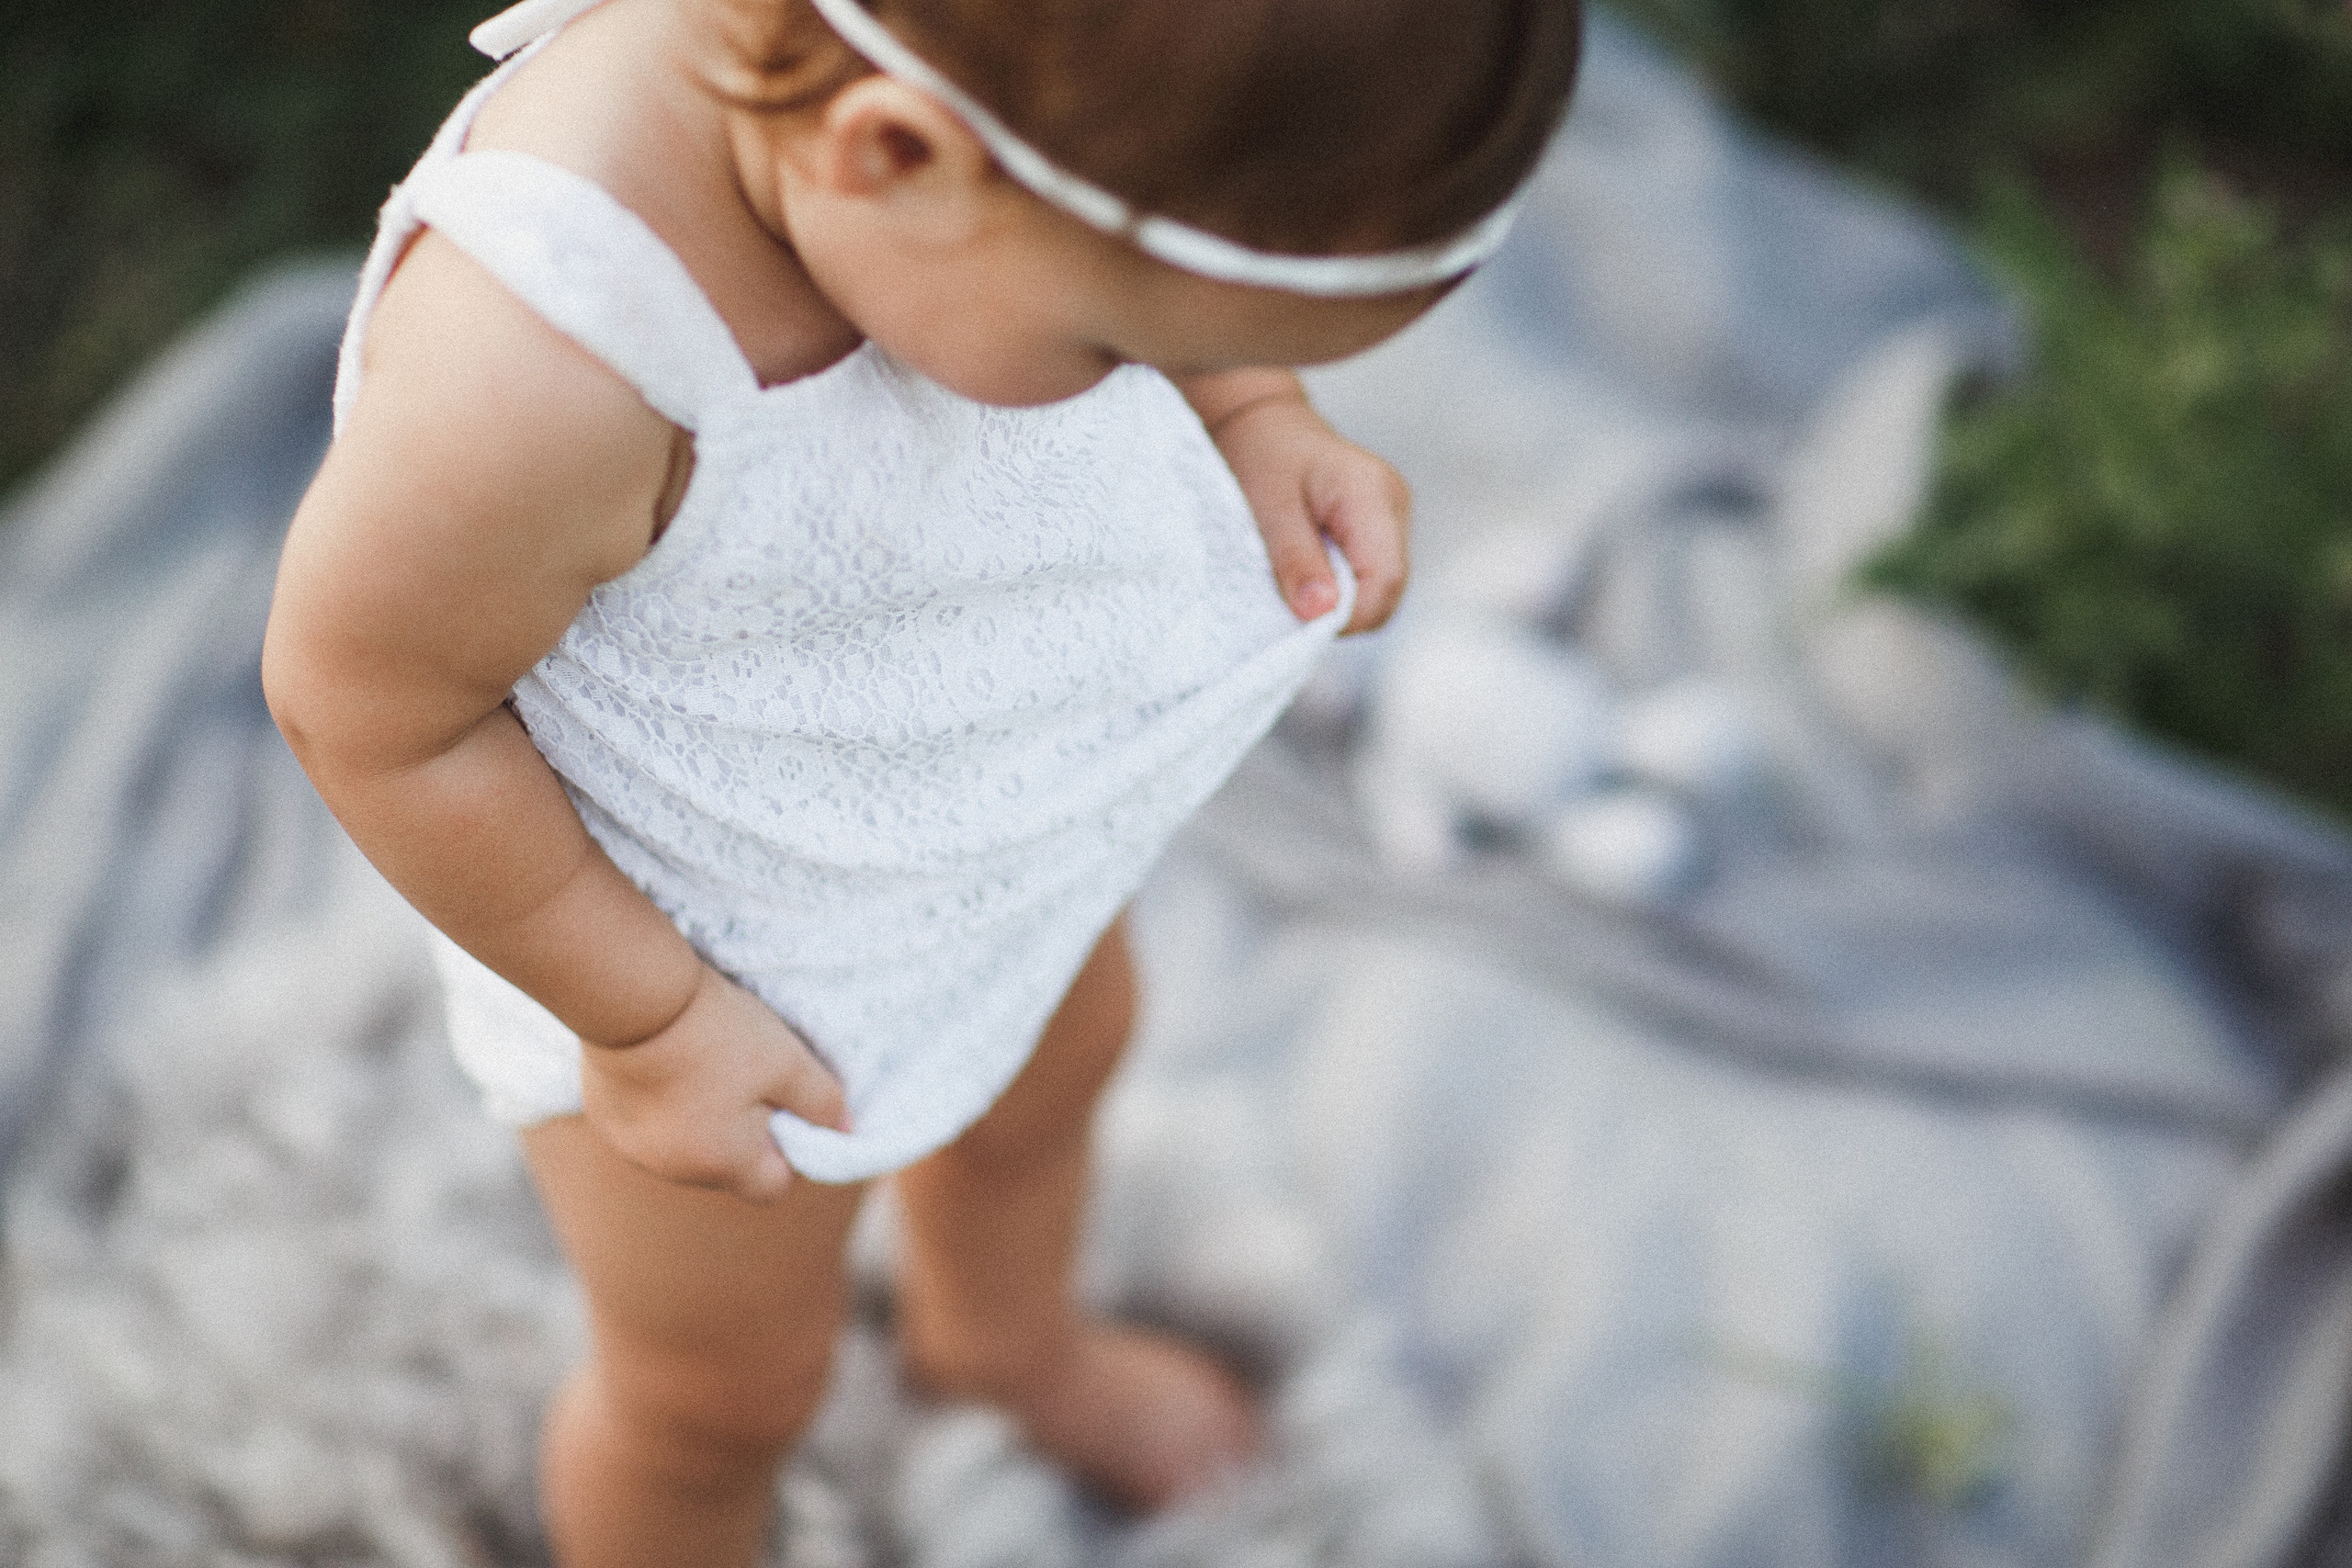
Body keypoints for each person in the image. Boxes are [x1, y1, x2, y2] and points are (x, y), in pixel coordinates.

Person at [262, 0, 1582, 1561]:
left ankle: (1006, 1350)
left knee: (1054, 1082)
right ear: (898, 158)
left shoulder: (973, 143)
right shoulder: (545, 367)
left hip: (963, 804)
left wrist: (1255, 413)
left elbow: (1164, 261)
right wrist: (650, 1021)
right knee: (720, 1392)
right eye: (1126, 345)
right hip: (694, 948)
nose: (1161, 376)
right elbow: (370, 709)